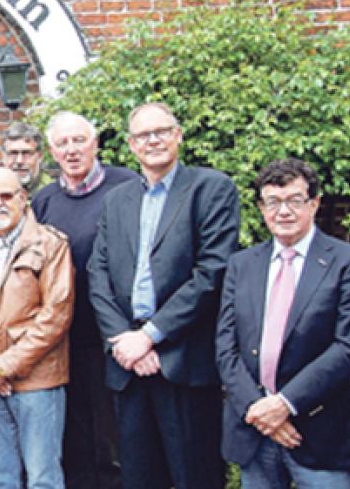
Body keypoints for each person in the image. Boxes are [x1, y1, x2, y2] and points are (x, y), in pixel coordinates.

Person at [88, 102, 240, 489]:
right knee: (138, 478)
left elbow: (212, 273)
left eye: (161, 131)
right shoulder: (116, 200)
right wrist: (125, 339)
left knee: (196, 476)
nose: (152, 140)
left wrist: (150, 335)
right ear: (130, 145)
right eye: (143, 135)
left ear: (178, 135)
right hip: (127, 363)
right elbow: (97, 275)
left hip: (182, 360)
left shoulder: (211, 188)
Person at [216, 158, 350, 488]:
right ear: (262, 207)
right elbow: (225, 346)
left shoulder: (347, 262)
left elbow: (348, 347)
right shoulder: (241, 265)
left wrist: (284, 404)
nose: (284, 212)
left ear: (314, 203)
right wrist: (258, 409)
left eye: (294, 200)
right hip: (253, 430)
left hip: (321, 433)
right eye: (273, 202)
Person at [31, 111, 138, 489]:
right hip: (63, 340)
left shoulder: (127, 187)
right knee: (73, 439)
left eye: (79, 140)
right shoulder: (43, 201)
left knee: (117, 441)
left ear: (95, 144)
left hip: (116, 337)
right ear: (52, 152)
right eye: (63, 143)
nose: (72, 150)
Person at [0, 167, 74, 488]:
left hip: (36, 379)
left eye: (6, 195)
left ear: (23, 199)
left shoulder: (50, 244)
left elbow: (56, 316)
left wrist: (4, 367)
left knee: (43, 480)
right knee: (0, 479)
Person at [1, 122, 51, 196]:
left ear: (40, 156)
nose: (19, 161)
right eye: (13, 153)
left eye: (26, 153)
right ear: (3, 157)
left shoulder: (53, 195)